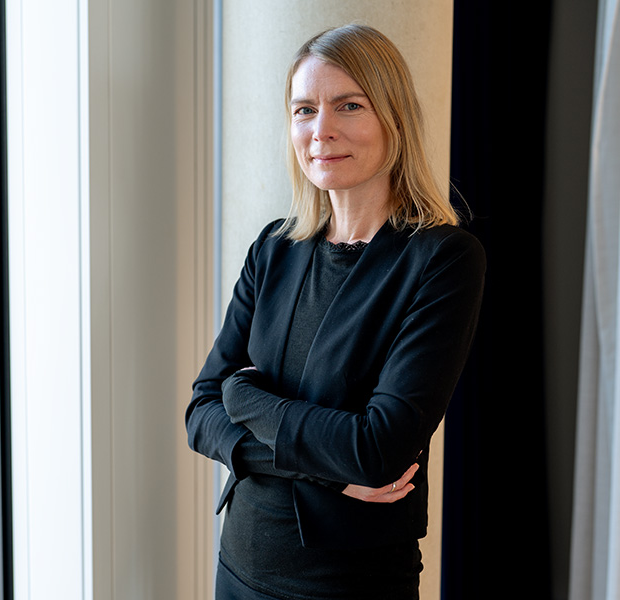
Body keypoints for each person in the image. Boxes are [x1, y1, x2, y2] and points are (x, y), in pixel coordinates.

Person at [185, 24, 486, 600]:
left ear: (392, 117)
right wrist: (320, 466)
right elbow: (201, 411)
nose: (321, 130)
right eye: (304, 110)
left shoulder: (441, 259)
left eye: (349, 105)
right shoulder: (274, 248)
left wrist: (244, 398)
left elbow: (376, 451)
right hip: (240, 568)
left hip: (349, 584)